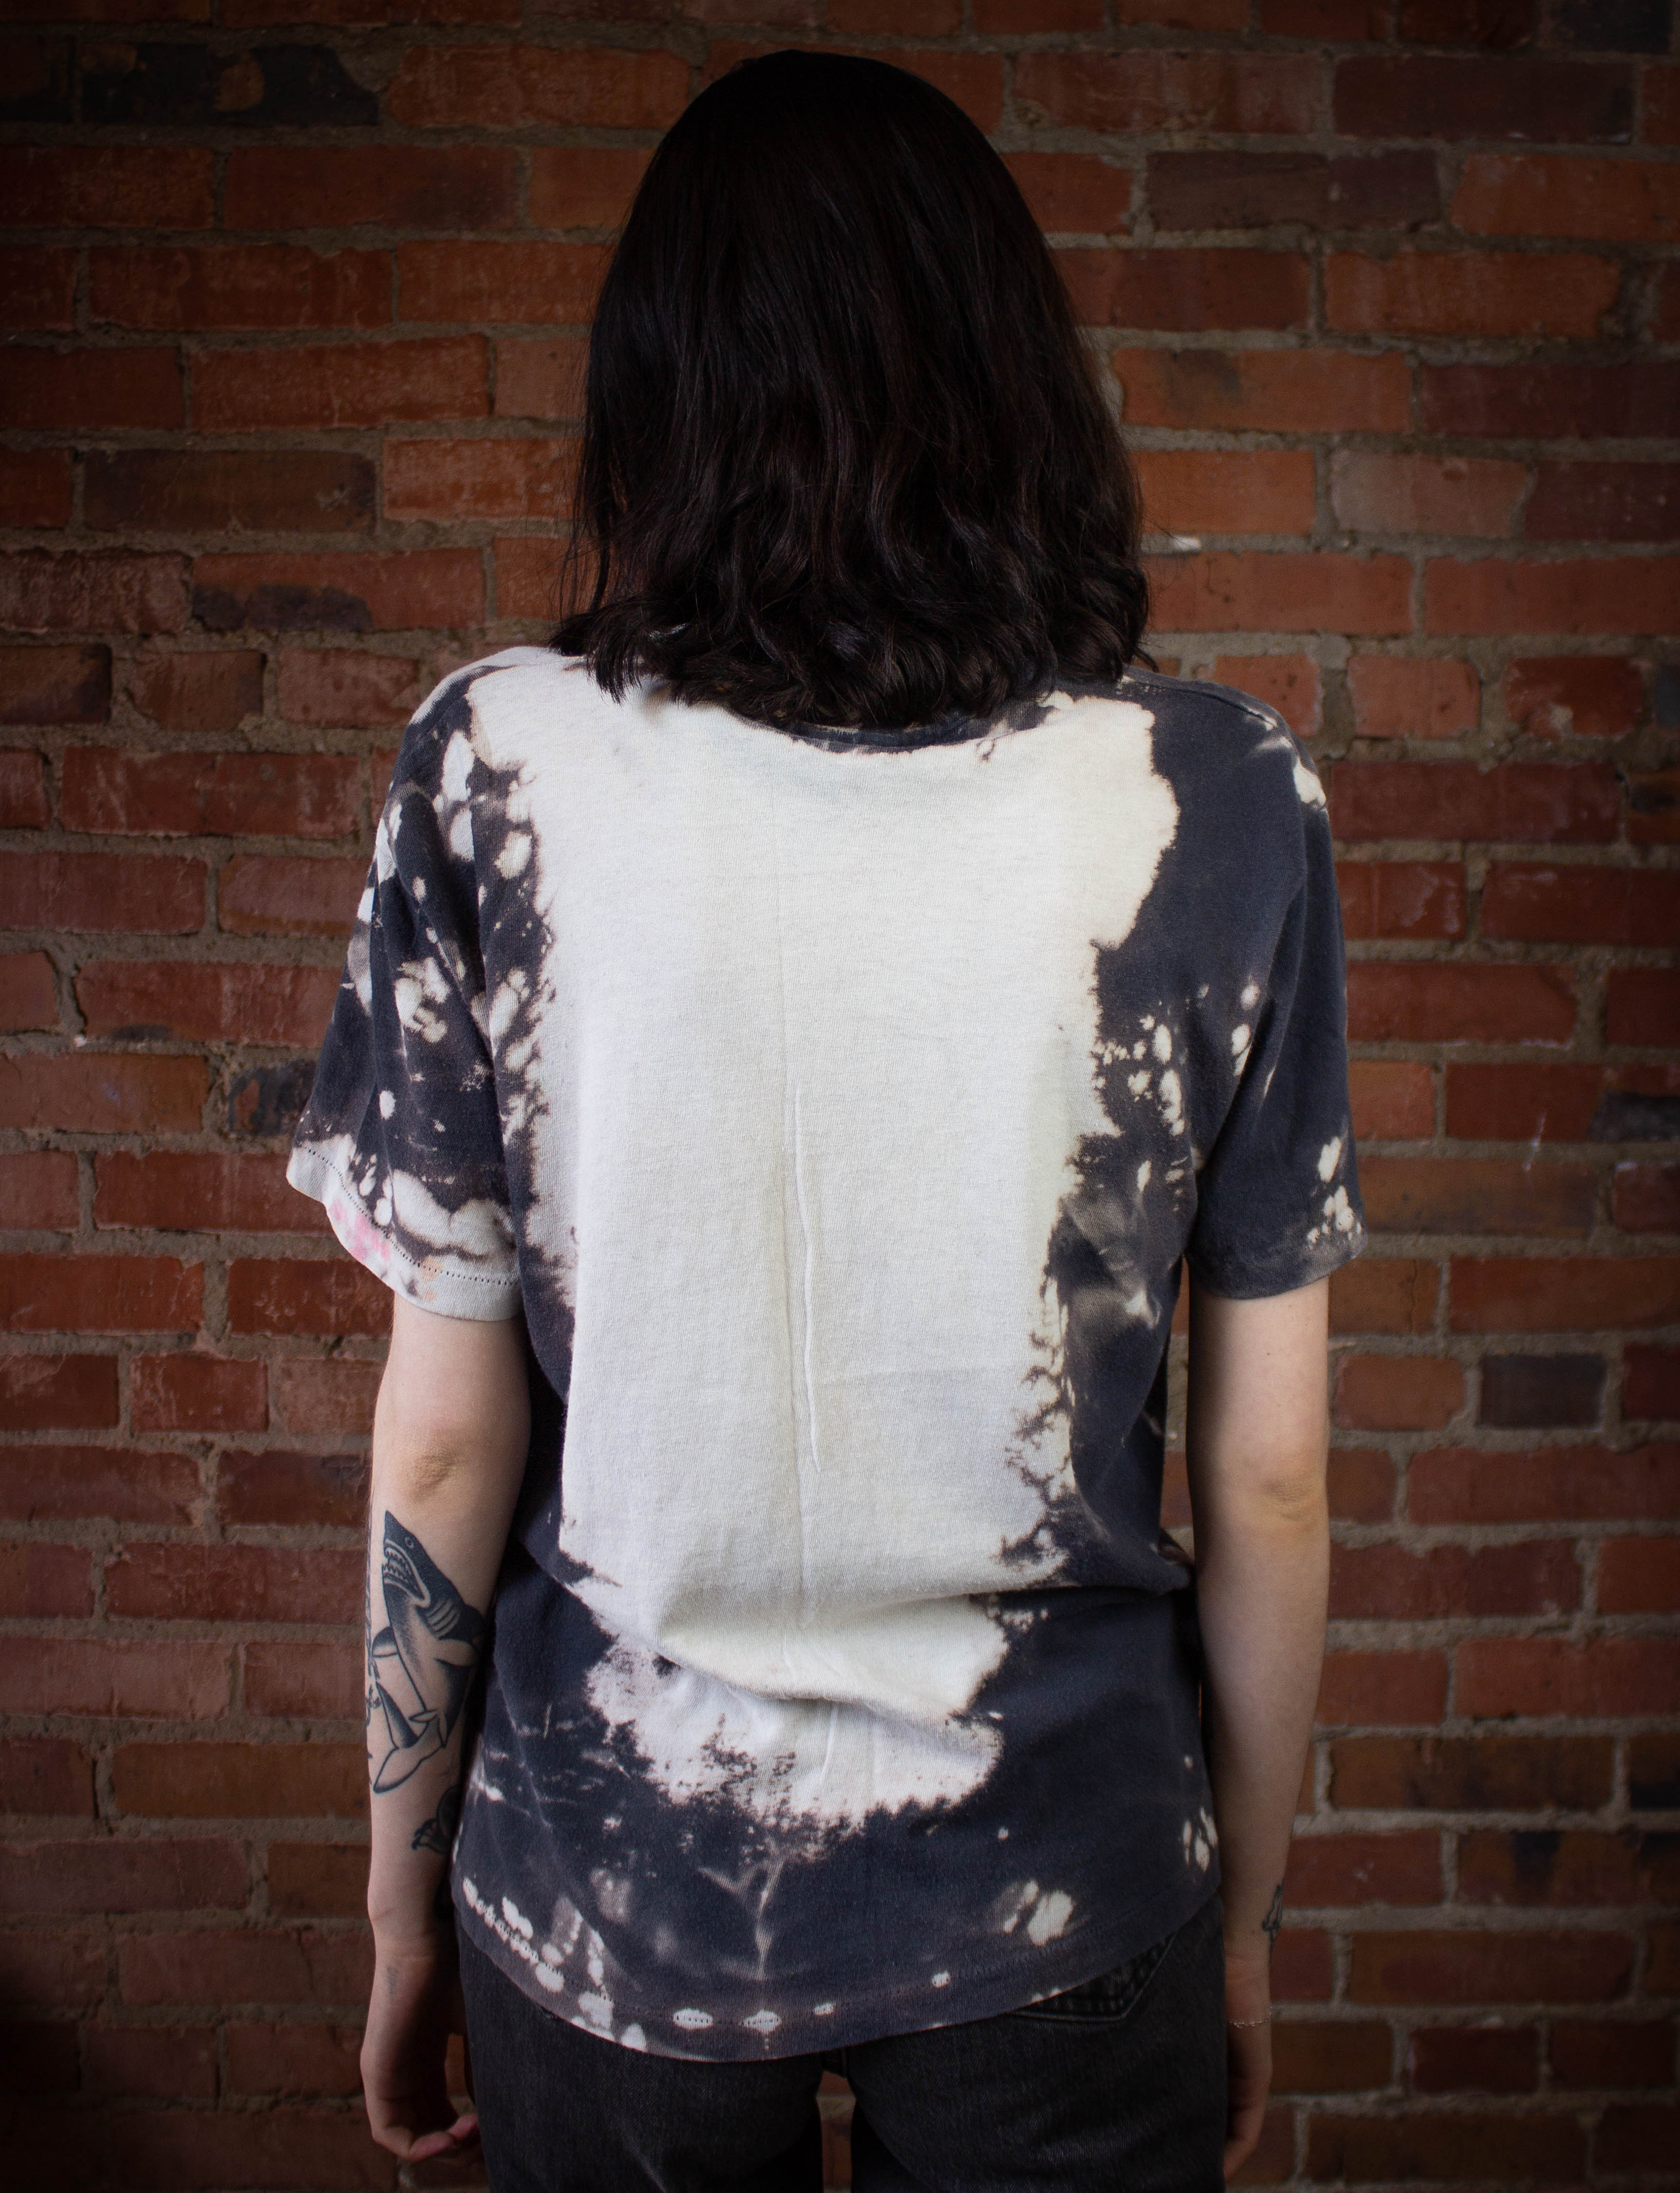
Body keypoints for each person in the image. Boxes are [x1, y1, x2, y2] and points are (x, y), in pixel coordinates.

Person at [286, 49, 1366, 2193]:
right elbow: (1270, 1471)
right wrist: (1239, 1920)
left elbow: (442, 1442)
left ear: (661, 393)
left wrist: (403, 1907)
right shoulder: (1220, 795)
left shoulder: (492, 767)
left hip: (609, 1899)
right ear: (1015, 380)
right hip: (1068, 1882)